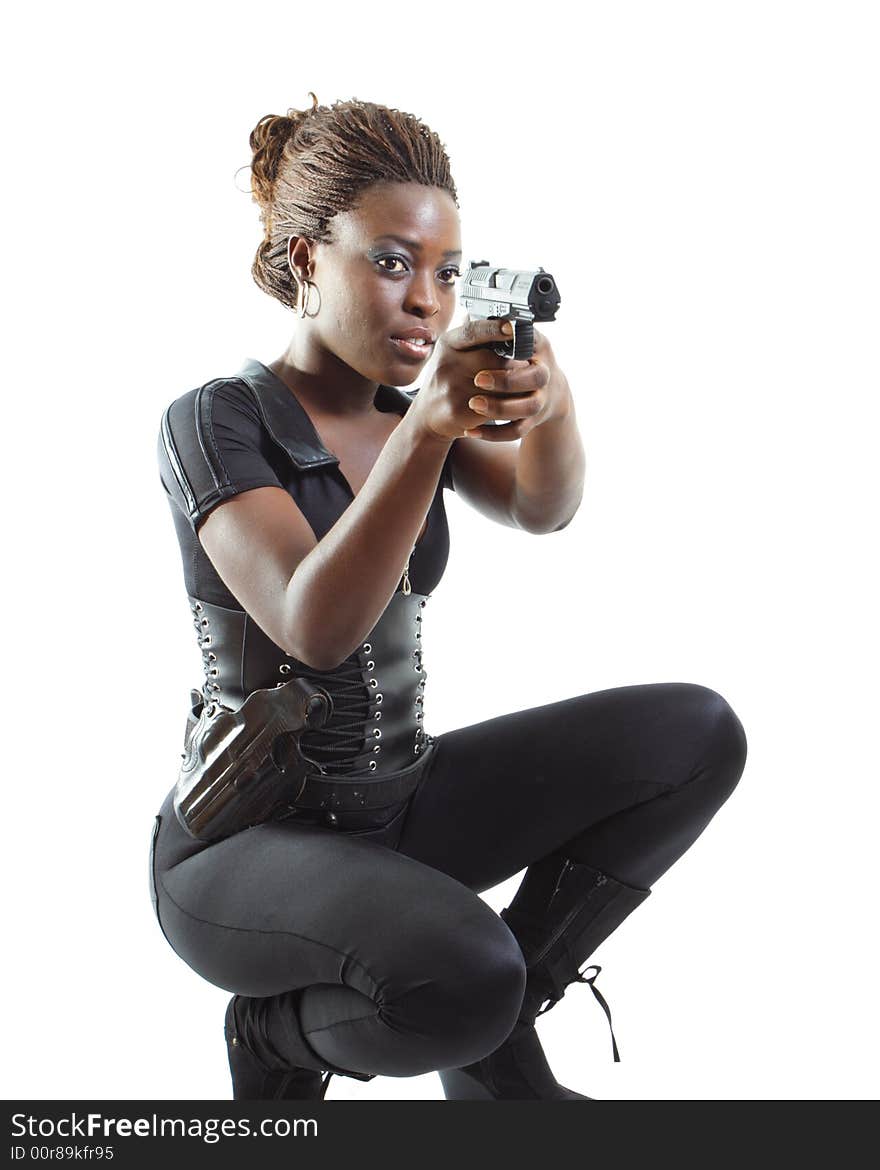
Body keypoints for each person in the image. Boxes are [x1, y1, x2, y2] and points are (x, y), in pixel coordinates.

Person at [149, 95, 748, 1101]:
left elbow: (540, 507)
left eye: (443, 272)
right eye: (389, 263)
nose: (424, 300)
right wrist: (426, 433)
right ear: (303, 261)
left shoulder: (402, 411)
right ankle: (281, 1034)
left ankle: (494, 1032)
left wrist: (550, 402)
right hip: (245, 844)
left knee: (692, 734)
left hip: (397, 803)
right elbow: (313, 626)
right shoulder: (213, 421)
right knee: (463, 970)